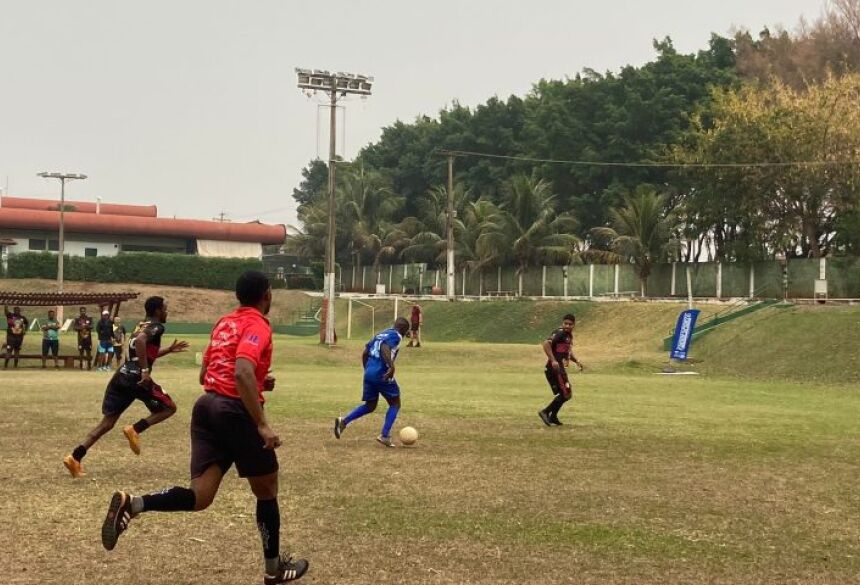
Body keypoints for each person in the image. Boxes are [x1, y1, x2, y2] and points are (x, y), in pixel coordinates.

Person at [99, 271, 309, 584]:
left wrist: (258, 380)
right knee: (266, 491)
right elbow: (240, 372)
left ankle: (135, 503)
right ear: (267, 295)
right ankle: (273, 568)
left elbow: (206, 374)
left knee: (201, 496)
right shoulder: (257, 324)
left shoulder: (225, 323)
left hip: (206, 407)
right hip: (233, 410)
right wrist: (262, 425)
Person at [63, 296, 188, 478]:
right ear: (157, 311)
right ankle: (135, 429)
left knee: (107, 423)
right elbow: (140, 343)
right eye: (165, 309)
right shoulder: (156, 326)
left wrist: (167, 350)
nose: (166, 312)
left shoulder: (140, 325)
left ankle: (75, 457)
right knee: (169, 408)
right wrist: (145, 371)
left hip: (122, 375)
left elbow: (140, 350)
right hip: (136, 378)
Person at [333, 317, 411, 447]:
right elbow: (385, 348)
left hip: (369, 373)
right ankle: (385, 435)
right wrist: (391, 366)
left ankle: (344, 422)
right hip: (382, 373)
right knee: (395, 403)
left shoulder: (380, 334)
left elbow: (365, 353)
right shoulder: (395, 336)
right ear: (403, 329)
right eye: (406, 331)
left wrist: (368, 370)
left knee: (370, 405)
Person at [538, 313, 583, 427]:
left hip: (560, 369)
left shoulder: (568, 336)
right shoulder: (560, 333)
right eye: (565, 323)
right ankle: (545, 412)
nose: (567, 326)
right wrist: (553, 360)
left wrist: (576, 361)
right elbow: (546, 344)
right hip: (555, 369)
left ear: (574, 325)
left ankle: (553, 416)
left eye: (570, 324)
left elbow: (567, 351)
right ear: (562, 323)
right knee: (566, 394)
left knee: (566, 394)